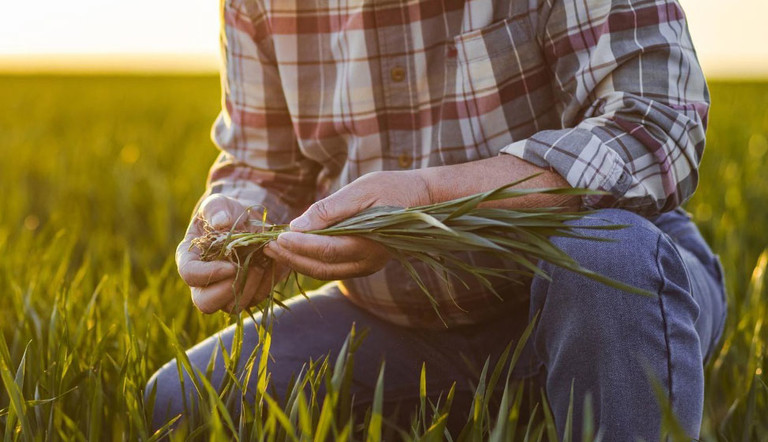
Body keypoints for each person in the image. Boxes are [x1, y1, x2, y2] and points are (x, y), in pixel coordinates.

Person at [146, 0, 727, 438]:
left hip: (589, 295)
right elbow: (264, 168)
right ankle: (534, 407)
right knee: (177, 401)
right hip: (394, 319)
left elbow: (655, 125)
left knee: (610, 256)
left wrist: (427, 197)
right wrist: (233, 225)